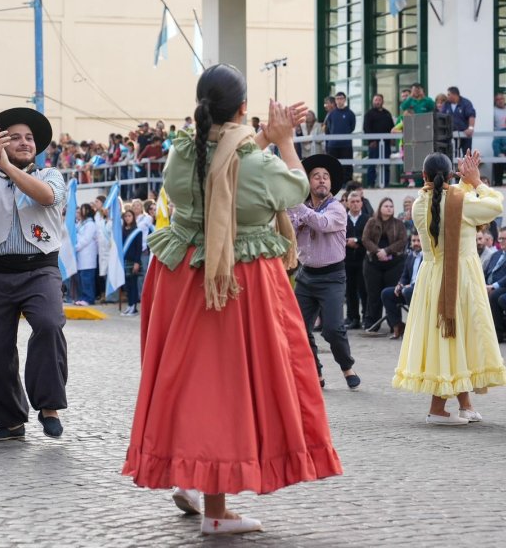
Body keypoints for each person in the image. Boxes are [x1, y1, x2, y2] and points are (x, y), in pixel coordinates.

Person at [122, 64, 342, 535]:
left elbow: (221, 166)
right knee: (228, 388)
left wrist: (260, 138)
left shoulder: (181, 154)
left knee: (188, 384)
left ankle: (192, 476)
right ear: (244, 109)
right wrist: (283, 140)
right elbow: (295, 190)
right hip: (235, 278)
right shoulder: (260, 164)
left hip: (181, 271)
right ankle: (216, 511)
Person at [0, 106, 69, 442]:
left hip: (40, 270)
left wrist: (6, 167)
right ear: (0, 144)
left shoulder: (49, 175)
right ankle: (10, 420)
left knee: (49, 325)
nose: (25, 142)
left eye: (29, 138)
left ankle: (48, 406)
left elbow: (47, 197)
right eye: (15, 137)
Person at [392, 150, 506, 425]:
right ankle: (437, 409)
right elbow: (495, 205)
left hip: (432, 276)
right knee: (455, 336)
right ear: (450, 177)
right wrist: (476, 180)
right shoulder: (462, 201)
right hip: (460, 278)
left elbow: (447, 200)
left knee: (451, 339)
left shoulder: (419, 203)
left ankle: (465, 404)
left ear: (423, 177)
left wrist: (464, 183)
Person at [290, 153, 362, 389]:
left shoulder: (337, 209)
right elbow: (288, 228)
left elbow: (322, 224)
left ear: (331, 184)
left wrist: (298, 207)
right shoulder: (300, 208)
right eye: (316, 177)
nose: (322, 180)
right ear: (308, 183)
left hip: (332, 276)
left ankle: (346, 366)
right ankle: (316, 372)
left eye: (326, 177)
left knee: (332, 329)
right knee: (298, 328)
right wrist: (294, 215)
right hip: (306, 275)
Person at [361, 197, 407, 333]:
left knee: (391, 292)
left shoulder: (398, 224)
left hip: (393, 263)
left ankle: (394, 323)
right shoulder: (372, 222)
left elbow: (402, 240)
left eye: (391, 206)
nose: (389, 208)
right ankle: (372, 322)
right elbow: (365, 239)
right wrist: (377, 251)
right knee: (373, 293)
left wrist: (387, 251)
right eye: (386, 206)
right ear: (380, 207)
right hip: (373, 263)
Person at [380, 231, 422, 340]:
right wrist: (400, 284)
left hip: (422, 291)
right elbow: (405, 275)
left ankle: (414, 327)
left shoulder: (428, 258)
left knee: (407, 291)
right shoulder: (410, 256)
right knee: (387, 293)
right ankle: (398, 326)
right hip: (407, 289)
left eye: (419, 240)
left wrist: (412, 285)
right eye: (413, 241)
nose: (416, 243)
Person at [344, 191, 369, 330]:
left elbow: (369, 236)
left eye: (357, 201)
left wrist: (357, 240)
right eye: (352, 202)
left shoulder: (367, 218)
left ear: (361, 203)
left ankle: (366, 316)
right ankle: (353, 318)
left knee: (363, 289)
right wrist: (346, 241)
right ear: (347, 203)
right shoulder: (342, 218)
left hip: (363, 260)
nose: (355, 204)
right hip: (346, 260)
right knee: (350, 290)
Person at [362, 93, 395, 187]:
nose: (377, 102)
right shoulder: (369, 114)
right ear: (373, 101)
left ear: (382, 101)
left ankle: (386, 183)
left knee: (386, 165)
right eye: (375, 100)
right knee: (372, 164)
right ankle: (370, 184)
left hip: (386, 143)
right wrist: (371, 141)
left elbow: (392, 127)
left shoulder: (387, 113)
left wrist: (392, 139)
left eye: (379, 100)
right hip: (374, 144)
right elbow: (366, 128)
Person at [324, 91, 357, 180]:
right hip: (333, 145)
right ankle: (334, 184)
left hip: (346, 144)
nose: (339, 101)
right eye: (337, 99)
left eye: (341, 98)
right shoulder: (331, 114)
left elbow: (352, 127)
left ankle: (347, 183)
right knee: (333, 166)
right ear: (335, 100)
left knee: (347, 166)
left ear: (345, 100)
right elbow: (329, 128)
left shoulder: (350, 114)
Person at [120, 208, 142, 316]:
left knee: (133, 284)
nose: (127, 218)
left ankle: (134, 307)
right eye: (126, 216)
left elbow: (139, 248)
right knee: (127, 285)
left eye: (129, 216)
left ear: (133, 217)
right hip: (124, 260)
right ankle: (129, 305)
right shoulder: (122, 230)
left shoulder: (137, 231)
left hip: (133, 261)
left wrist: (137, 262)